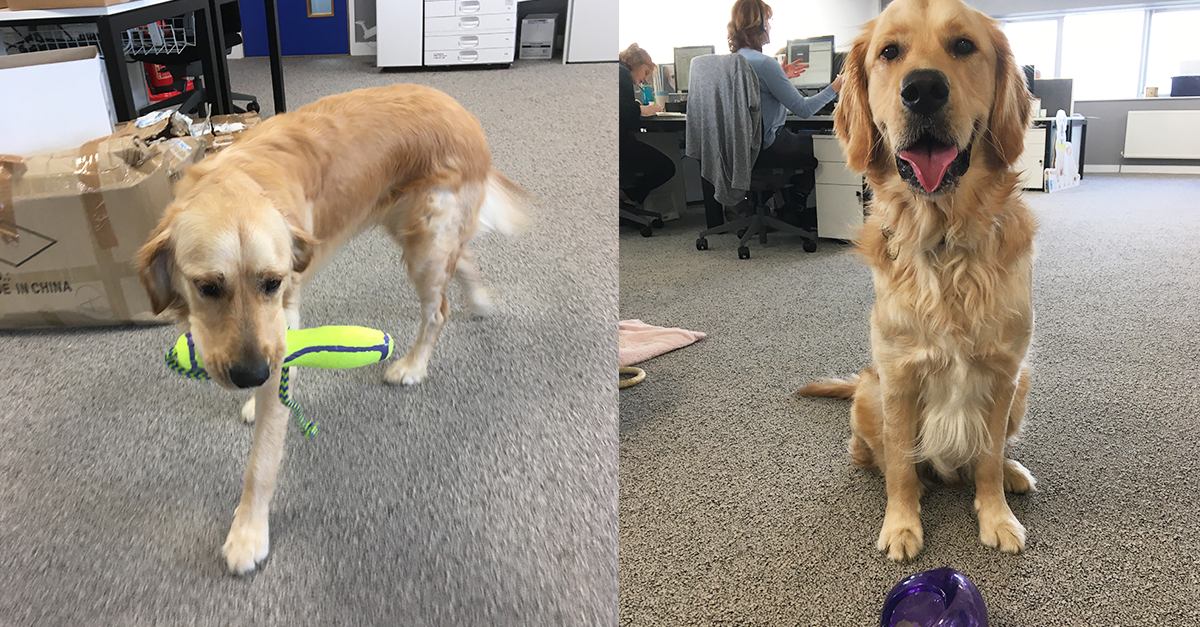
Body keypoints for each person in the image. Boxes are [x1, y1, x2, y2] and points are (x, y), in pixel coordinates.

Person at [711, 0, 844, 226]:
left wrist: (780, 77)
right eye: (768, 21)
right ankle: (796, 207)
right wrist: (836, 87)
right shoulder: (764, 64)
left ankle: (786, 209)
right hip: (767, 146)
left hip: (737, 151)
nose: (770, 26)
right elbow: (803, 110)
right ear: (759, 25)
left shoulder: (728, 63)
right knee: (827, 147)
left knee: (805, 143)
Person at [619, 43, 676, 215]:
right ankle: (628, 196)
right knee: (666, 167)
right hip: (619, 146)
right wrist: (643, 110)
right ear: (637, 63)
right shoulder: (622, 73)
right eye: (645, 73)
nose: (644, 79)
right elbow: (621, 113)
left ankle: (627, 198)